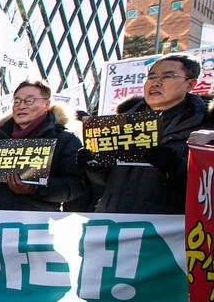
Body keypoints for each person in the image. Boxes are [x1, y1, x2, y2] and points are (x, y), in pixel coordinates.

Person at [80, 54, 214, 213]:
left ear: (190, 84)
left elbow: (207, 185)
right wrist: (94, 166)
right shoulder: (120, 124)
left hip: (166, 231)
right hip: (113, 224)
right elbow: (105, 181)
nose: (156, 83)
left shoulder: (206, 128)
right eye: (151, 77)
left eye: (167, 77)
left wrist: (176, 166)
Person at [0, 79, 86, 211]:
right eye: (17, 101)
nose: (21, 106)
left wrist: (36, 188)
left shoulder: (64, 140)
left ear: (46, 104)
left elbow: (75, 185)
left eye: (29, 100)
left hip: (37, 224)